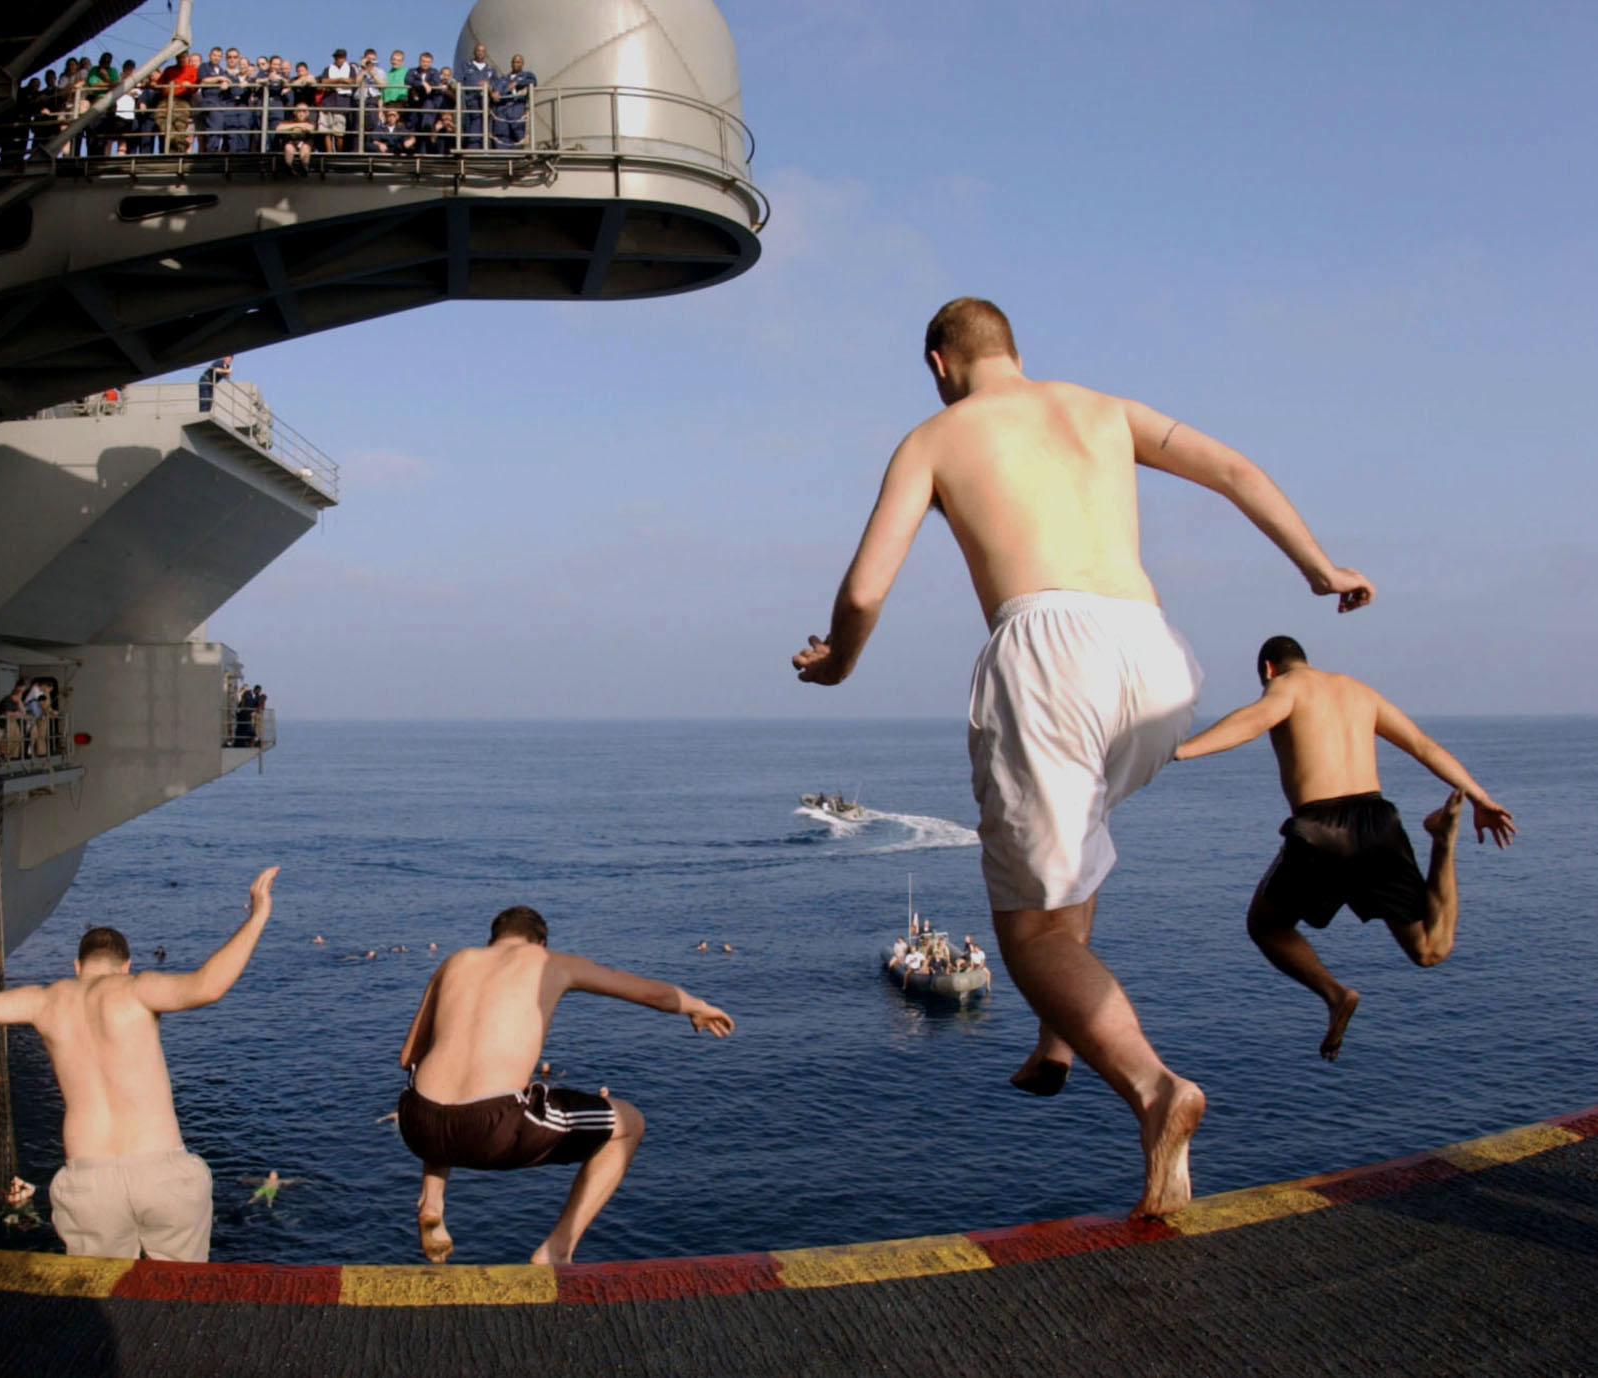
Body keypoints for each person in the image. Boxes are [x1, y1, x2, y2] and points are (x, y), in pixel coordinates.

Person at [790, 296, 1375, 1217]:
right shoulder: (1105, 408)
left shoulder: (936, 436)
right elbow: (1231, 468)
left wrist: (836, 664)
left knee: (1027, 937)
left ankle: (1154, 1089)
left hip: (1046, 649)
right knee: (1078, 832)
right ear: (1014, 351)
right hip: (1153, 659)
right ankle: (1057, 1040)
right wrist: (1319, 566)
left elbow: (865, 588)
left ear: (940, 363)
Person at [0, 866, 282, 1261]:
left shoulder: (45, 1001)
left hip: (90, 1178)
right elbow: (208, 986)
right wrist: (258, 914)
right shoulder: (137, 989)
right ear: (125, 965)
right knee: (184, 1305)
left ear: (76, 966)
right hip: (162, 1171)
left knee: (101, 1306)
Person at [1173, 636, 1515, 1060]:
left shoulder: (1285, 688)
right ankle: (1443, 842)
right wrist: (1481, 798)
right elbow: (1423, 745)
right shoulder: (1358, 691)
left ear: (1268, 670)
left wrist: (1179, 750)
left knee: (1267, 927)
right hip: (1379, 822)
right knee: (1430, 949)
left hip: (1322, 830)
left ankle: (1335, 994)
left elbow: (1253, 720)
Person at [395, 905, 733, 1265]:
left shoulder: (456, 961)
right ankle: (557, 1249)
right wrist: (697, 1006)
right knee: (630, 1124)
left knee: (436, 1080)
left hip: (418, 1125)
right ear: (540, 942)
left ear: (492, 940)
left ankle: (432, 1200)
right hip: (493, 1126)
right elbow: (652, 994)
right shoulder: (551, 962)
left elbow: (407, 1057)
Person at [458, 43, 496, 150]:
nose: (480, 53)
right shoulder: (465, 66)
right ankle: (473, 147)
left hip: (487, 103)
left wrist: (489, 86)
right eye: (478, 50)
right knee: (473, 124)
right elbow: (458, 82)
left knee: (486, 125)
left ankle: (485, 147)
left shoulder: (490, 70)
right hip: (471, 101)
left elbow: (497, 84)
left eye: (483, 51)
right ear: (474, 52)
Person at [492, 54, 535, 148]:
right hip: (503, 109)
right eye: (514, 62)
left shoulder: (527, 75)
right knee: (502, 134)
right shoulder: (503, 79)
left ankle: (517, 159)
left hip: (517, 107)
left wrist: (517, 83)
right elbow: (497, 90)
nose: (516, 64)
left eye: (519, 62)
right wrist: (495, 93)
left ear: (523, 63)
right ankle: (503, 159)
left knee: (518, 133)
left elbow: (533, 81)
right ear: (511, 63)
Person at [273, 103, 316, 174]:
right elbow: (278, 128)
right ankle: (289, 167)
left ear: (308, 113)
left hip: (305, 143)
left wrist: (291, 127)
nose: (301, 114)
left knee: (305, 147)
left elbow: (310, 128)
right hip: (291, 143)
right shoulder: (289, 121)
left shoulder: (311, 121)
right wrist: (299, 125)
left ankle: (304, 167)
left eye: (304, 111)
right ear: (295, 112)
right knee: (288, 147)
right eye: (299, 111)